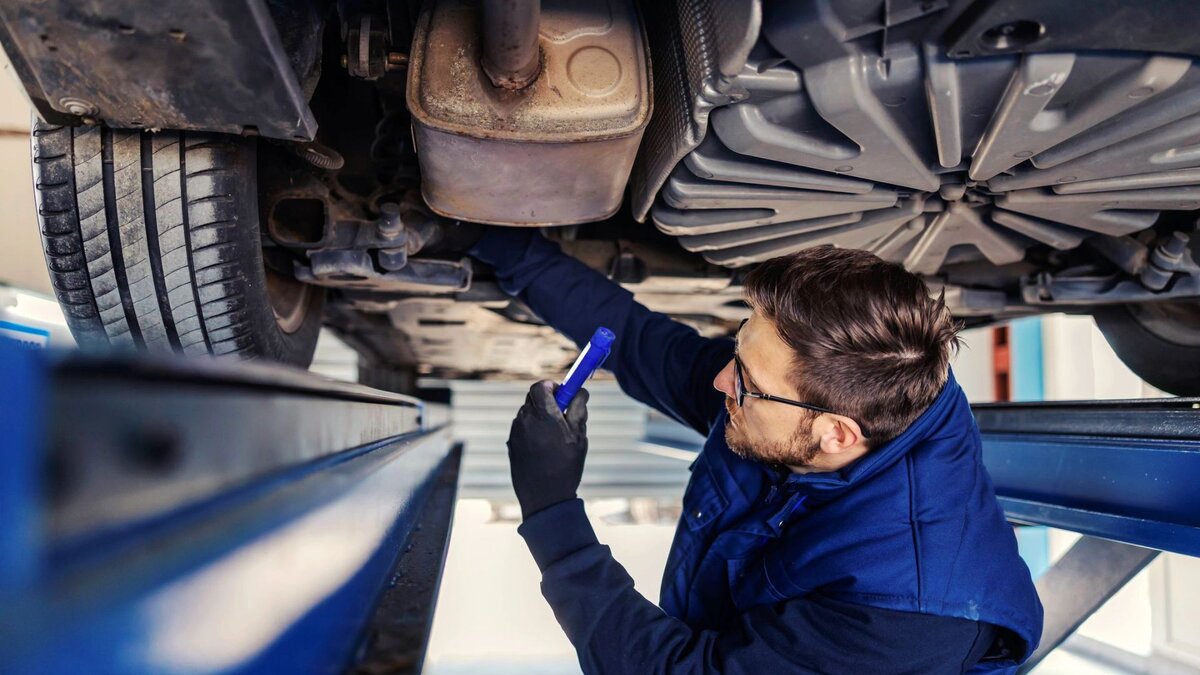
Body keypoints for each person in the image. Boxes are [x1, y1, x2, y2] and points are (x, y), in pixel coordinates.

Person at [471, 227, 1043, 674]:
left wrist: (549, 507)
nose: (721, 381)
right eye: (738, 353)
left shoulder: (902, 619)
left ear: (836, 434)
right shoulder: (827, 393)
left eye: (743, 379)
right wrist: (503, 246)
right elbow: (644, 343)